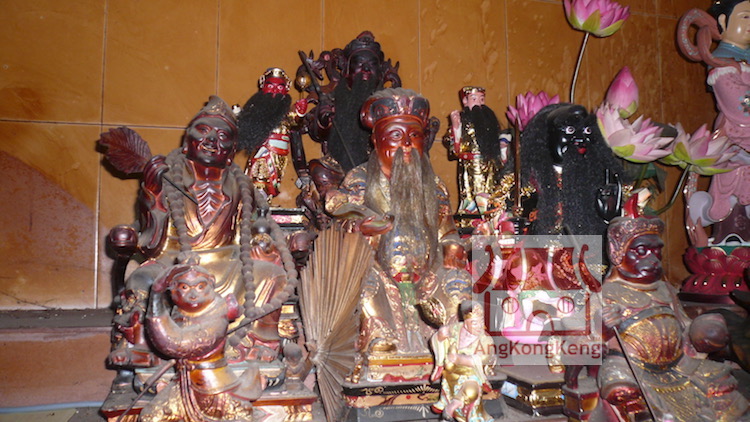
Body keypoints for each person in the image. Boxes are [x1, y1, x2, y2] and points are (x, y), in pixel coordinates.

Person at [106, 96, 296, 373]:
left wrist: (265, 241)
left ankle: (259, 344)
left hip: (227, 262)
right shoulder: (168, 176)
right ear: (187, 143)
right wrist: (153, 192)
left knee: (273, 276)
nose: (212, 140)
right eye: (203, 131)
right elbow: (152, 238)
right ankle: (143, 347)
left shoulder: (241, 185)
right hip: (173, 261)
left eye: (223, 136)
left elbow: (247, 232)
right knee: (141, 281)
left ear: (230, 152)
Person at [326, 88, 471, 363]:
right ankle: (378, 337)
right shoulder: (359, 180)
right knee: (362, 282)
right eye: (396, 135)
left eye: (414, 136)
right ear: (376, 139)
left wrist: (452, 246)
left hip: (428, 274)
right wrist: (361, 229)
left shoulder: (433, 184)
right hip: (378, 271)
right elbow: (341, 224)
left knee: (458, 282)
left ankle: (456, 342)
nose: (406, 144)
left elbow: (447, 229)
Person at [598, 198, 748, 421]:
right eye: (641, 251)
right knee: (620, 388)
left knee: (721, 379)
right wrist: (603, 327)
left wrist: (702, 331)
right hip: (631, 367)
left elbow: (684, 325)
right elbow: (588, 342)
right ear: (617, 252)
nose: (652, 259)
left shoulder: (665, 289)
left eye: (656, 252)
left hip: (679, 364)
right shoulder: (606, 293)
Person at [140, 255, 261, 422]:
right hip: (182, 384)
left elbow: (178, 345)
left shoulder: (217, 315)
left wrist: (155, 294)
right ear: (172, 290)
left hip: (214, 386)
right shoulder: (178, 312)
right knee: (149, 418)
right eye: (184, 287)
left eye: (200, 287)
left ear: (211, 286)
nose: (192, 294)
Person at [679, 1, 750, 244]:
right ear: (722, 22)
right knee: (729, 194)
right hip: (737, 134)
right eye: (745, 17)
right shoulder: (722, 63)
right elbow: (740, 105)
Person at [300, 31, 401, 174]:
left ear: (379, 72)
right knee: (319, 170)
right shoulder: (333, 97)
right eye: (360, 64)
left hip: (378, 167)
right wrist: (323, 120)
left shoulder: (389, 103)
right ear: (347, 69)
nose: (366, 69)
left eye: (372, 65)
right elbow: (318, 133)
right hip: (340, 166)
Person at [238, 68, 308, 201]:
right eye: (270, 86)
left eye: (279, 87)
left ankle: (265, 202)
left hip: (279, 153)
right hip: (261, 152)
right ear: (263, 87)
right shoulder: (256, 110)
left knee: (273, 181)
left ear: (286, 89)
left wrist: (300, 112)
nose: (275, 90)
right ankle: (258, 203)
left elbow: (295, 121)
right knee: (259, 179)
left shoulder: (286, 112)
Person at [443, 86, 511, 214]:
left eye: (482, 99)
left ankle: (491, 214)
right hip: (471, 165)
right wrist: (456, 127)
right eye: (474, 99)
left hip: (490, 163)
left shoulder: (489, 120)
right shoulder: (462, 120)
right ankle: (472, 217)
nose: (479, 103)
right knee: (473, 193)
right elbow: (451, 144)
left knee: (491, 191)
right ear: (465, 101)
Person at [430, 301, 495, 422]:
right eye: (474, 323)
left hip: (471, 375)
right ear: (465, 323)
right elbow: (438, 340)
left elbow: (484, 358)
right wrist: (440, 337)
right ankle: (448, 403)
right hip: (450, 374)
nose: (479, 326)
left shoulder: (485, 339)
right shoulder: (455, 329)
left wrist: (460, 359)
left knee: (471, 392)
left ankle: (454, 404)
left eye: (481, 321)